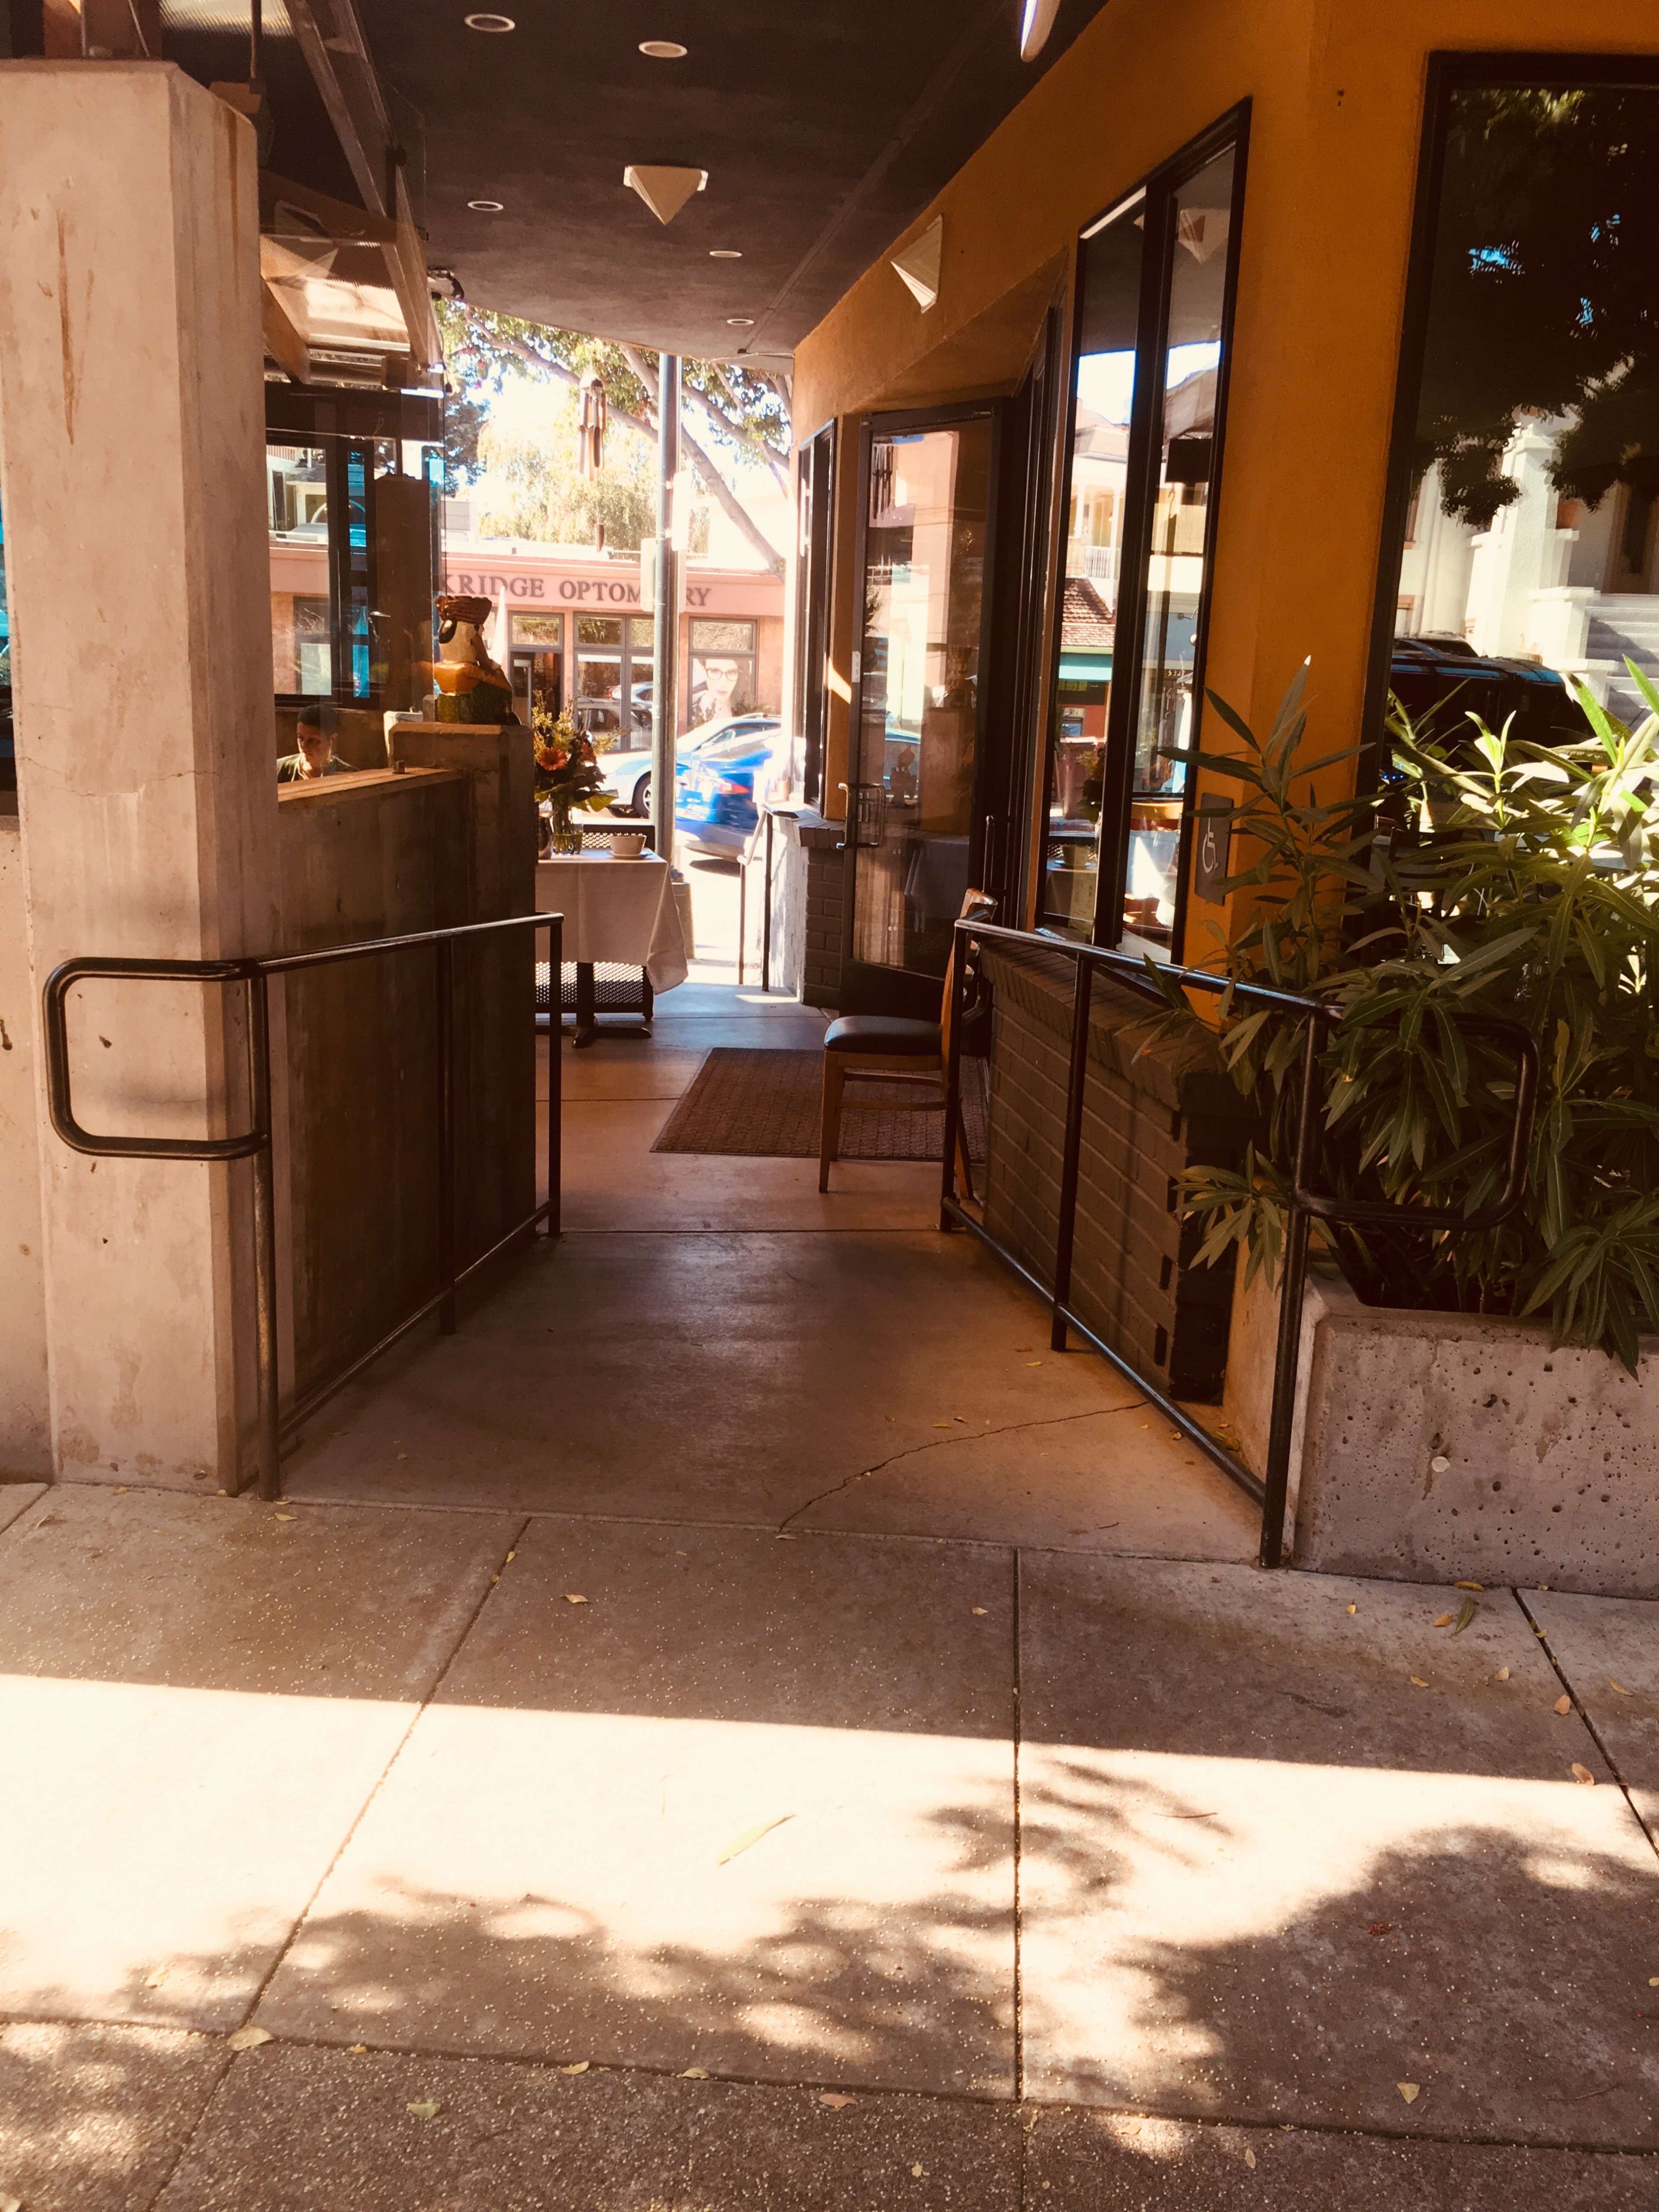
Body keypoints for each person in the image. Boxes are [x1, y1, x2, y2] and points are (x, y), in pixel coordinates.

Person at [277, 701, 357, 782]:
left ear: (333, 740)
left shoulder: (350, 776)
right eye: (301, 738)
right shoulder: (279, 770)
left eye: (313, 741)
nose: (304, 746)